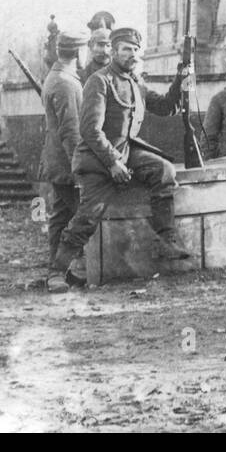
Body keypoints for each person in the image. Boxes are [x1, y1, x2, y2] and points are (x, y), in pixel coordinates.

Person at [47, 27, 190, 292]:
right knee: (89, 215)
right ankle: (57, 271)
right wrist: (113, 162)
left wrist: (181, 80)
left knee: (164, 171)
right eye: (126, 49)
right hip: (97, 159)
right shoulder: (99, 81)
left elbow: (167, 106)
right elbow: (90, 130)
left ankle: (167, 237)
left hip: (126, 151)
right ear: (114, 51)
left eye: (135, 50)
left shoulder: (135, 82)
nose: (132, 54)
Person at [39, 32, 87, 287]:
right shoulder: (65, 83)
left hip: (58, 161)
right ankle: (56, 272)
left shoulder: (57, 77)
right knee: (81, 217)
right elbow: (70, 129)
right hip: (66, 164)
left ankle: (59, 272)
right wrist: (80, 167)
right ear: (79, 53)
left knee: (60, 217)